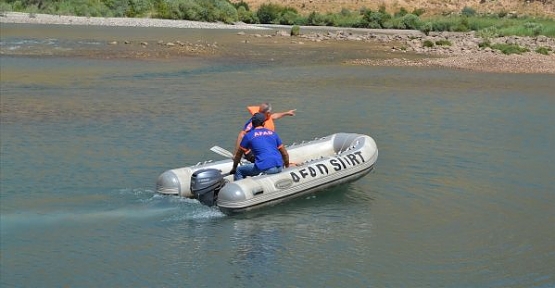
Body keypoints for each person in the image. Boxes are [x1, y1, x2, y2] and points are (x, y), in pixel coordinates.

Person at [230, 113, 290, 181]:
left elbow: (238, 155)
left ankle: (242, 188)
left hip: (264, 168)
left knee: (238, 171)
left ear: (252, 123)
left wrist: (234, 167)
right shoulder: (273, 133)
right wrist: (287, 167)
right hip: (279, 166)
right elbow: (284, 153)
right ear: (264, 123)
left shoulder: (248, 136)